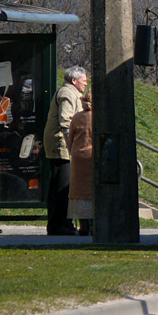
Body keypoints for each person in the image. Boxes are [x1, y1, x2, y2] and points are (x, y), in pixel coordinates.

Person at [43, 66, 87, 235]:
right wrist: (74, 144)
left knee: (63, 187)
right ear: (74, 80)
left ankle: (63, 224)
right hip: (61, 146)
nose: (86, 82)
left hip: (63, 146)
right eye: (84, 79)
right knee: (61, 187)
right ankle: (58, 225)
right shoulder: (67, 94)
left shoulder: (72, 93)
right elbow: (65, 121)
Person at [68, 89, 94, 237]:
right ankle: (94, 225)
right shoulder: (100, 117)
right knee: (93, 190)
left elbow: (70, 138)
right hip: (94, 156)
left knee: (79, 192)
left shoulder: (77, 117)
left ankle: (83, 225)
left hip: (78, 157)